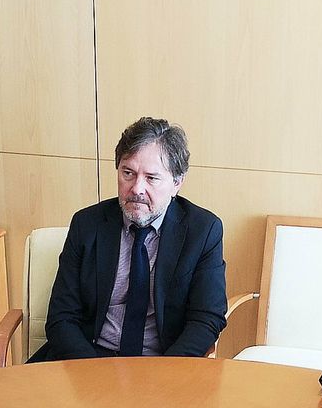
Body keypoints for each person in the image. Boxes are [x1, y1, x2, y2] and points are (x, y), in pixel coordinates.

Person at [30, 117, 227, 361]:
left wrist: (164, 375)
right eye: (128, 173)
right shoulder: (87, 225)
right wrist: (95, 375)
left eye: (151, 178)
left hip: (161, 365)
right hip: (86, 360)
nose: (136, 189)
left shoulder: (203, 230)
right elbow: (61, 318)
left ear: (177, 182)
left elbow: (206, 318)